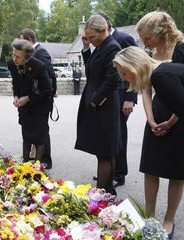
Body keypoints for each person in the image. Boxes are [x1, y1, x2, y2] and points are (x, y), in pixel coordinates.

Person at [113, 46, 184, 239]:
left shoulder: (161, 76)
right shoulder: (159, 74)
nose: (124, 78)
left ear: (134, 67)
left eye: (124, 73)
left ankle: (168, 220)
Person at [135, 11, 184, 236]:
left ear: (160, 32)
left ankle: (169, 220)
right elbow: (146, 88)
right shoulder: (151, 52)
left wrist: (171, 122)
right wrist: (150, 119)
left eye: (147, 38)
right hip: (156, 115)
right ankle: (148, 217)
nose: (144, 42)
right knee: (151, 168)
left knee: (176, 171)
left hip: (182, 117)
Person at [75, 15, 122, 195]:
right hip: (97, 104)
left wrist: (95, 101)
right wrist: (86, 48)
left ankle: (102, 194)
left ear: (103, 31)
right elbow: (92, 69)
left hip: (104, 106)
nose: (91, 41)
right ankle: (107, 192)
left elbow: (113, 79)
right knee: (102, 152)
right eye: (88, 38)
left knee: (105, 152)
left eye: (92, 37)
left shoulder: (112, 48)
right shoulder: (101, 46)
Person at [96, 11, 138, 188]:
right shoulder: (101, 43)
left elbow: (135, 68)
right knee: (109, 135)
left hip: (122, 95)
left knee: (119, 134)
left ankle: (119, 174)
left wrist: (130, 97)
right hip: (109, 95)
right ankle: (108, 170)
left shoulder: (124, 38)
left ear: (105, 26)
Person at [7, 38, 53, 163]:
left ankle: (37, 167)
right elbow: (15, 83)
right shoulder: (11, 64)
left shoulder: (38, 66)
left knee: (40, 137)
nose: (15, 59)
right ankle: (25, 165)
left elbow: (47, 90)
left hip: (40, 105)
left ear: (27, 58)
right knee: (26, 136)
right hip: (24, 107)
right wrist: (16, 96)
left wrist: (28, 98)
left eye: (18, 57)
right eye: (13, 55)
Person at [18, 28, 56, 169]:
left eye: (22, 40)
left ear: (29, 40)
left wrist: (52, 92)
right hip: (30, 101)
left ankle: (45, 160)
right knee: (32, 131)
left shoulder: (41, 53)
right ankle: (35, 158)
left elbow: (50, 76)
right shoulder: (27, 55)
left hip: (40, 100)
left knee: (41, 132)